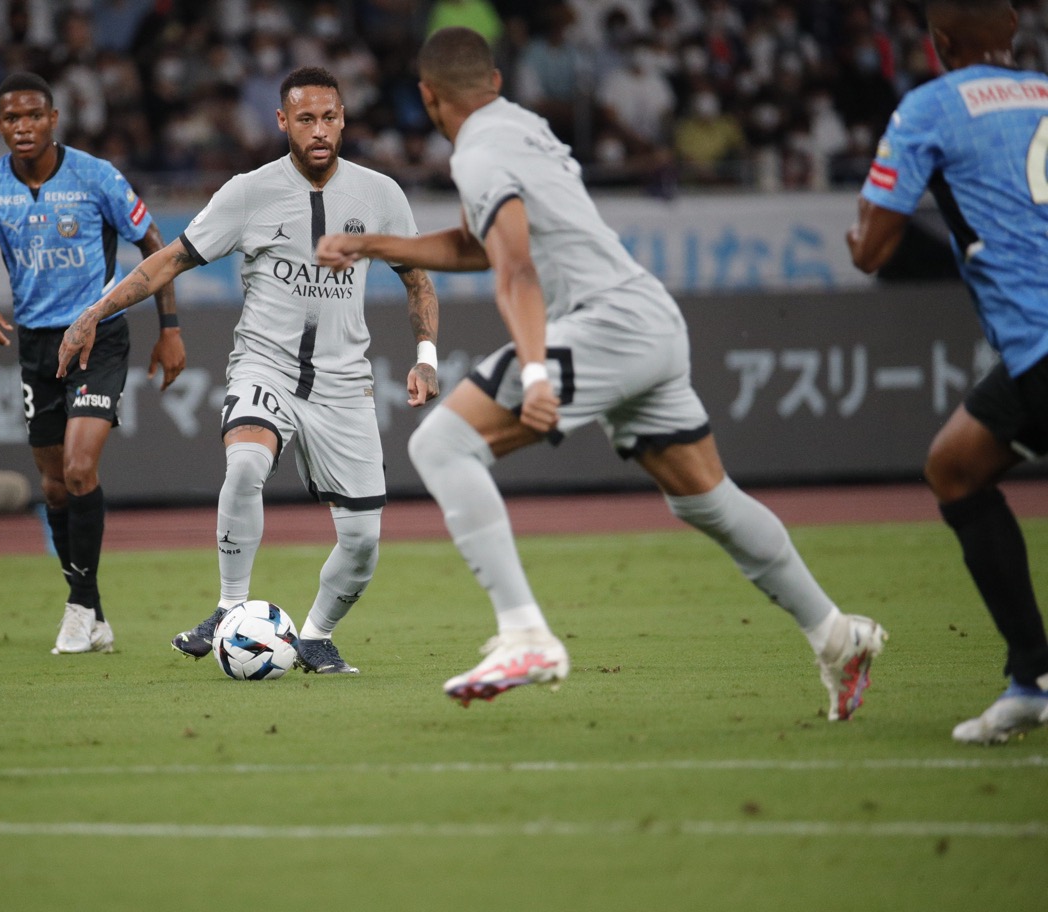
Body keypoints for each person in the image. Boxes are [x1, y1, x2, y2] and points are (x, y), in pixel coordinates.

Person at [316, 27, 888, 712]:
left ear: (427, 97)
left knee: (441, 442)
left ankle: (525, 632)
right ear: (494, 83)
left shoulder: (479, 152)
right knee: (705, 498)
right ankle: (835, 634)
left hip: (606, 322)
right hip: (649, 321)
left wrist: (534, 375)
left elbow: (516, 270)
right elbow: (482, 245)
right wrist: (373, 243)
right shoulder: (522, 127)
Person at [58, 66, 441, 674]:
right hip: (266, 366)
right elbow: (168, 262)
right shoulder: (248, 192)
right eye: (307, 118)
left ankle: (314, 635)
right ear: (283, 121)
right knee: (244, 465)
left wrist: (426, 358)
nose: (321, 130)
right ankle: (230, 608)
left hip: (345, 384)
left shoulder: (381, 195)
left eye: (331, 117)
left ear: (344, 120)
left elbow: (417, 280)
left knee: (363, 543)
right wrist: (93, 313)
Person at [847, 0, 1048, 744]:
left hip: (1040, 338)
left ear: (936, 44)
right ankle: (1031, 676)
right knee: (956, 464)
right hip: (1036, 351)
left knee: (955, 471)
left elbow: (871, 251)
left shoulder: (928, 108)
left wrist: (857, 234)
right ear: (1015, 37)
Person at [0, 72, 185, 656]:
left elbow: (155, 246)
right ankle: (95, 611)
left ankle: (78, 609)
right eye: (11, 118)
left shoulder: (95, 176)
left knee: (81, 470)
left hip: (97, 336)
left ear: (54, 119)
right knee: (55, 487)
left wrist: (170, 328)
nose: (23, 127)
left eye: (33, 115)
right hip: (36, 346)